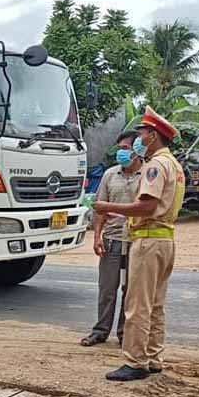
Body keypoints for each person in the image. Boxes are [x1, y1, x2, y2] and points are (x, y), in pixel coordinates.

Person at [94, 106, 185, 381]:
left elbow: (146, 206)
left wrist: (107, 206)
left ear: (153, 136)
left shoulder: (155, 166)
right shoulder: (174, 165)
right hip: (165, 239)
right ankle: (154, 358)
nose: (139, 139)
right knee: (155, 304)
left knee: (137, 305)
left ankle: (135, 362)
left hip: (148, 239)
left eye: (143, 133)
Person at [80, 131, 143, 347]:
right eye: (119, 149)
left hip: (136, 240)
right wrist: (97, 236)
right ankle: (100, 331)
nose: (120, 153)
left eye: (125, 148)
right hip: (112, 239)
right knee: (107, 289)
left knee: (131, 290)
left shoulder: (147, 175)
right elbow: (100, 208)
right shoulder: (109, 175)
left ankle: (125, 333)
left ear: (136, 150)